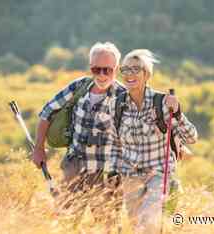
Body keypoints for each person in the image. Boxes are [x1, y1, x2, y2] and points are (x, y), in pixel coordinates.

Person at [32, 42, 125, 230]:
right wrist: (39, 148)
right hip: (74, 169)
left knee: (108, 228)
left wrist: (176, 144)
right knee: (65, 224)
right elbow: (46, 113)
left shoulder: (125, 97)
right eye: (96, 69)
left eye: (107, 70)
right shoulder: (79, 87)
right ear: (90, 67)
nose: (101, 75)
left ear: (116, 69)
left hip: (108, 175)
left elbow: (145, 126)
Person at [109, 49, 198, 233]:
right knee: (136, 227)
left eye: (135, 69)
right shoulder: (117, 105)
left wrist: (178, 112)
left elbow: (192, 137)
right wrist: (112, 171)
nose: (129, 74)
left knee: (148, 223)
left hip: (159, 174)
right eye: (125, 70)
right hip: (130, 176)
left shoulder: (162, 103)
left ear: (146, 74)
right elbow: (115, 143)